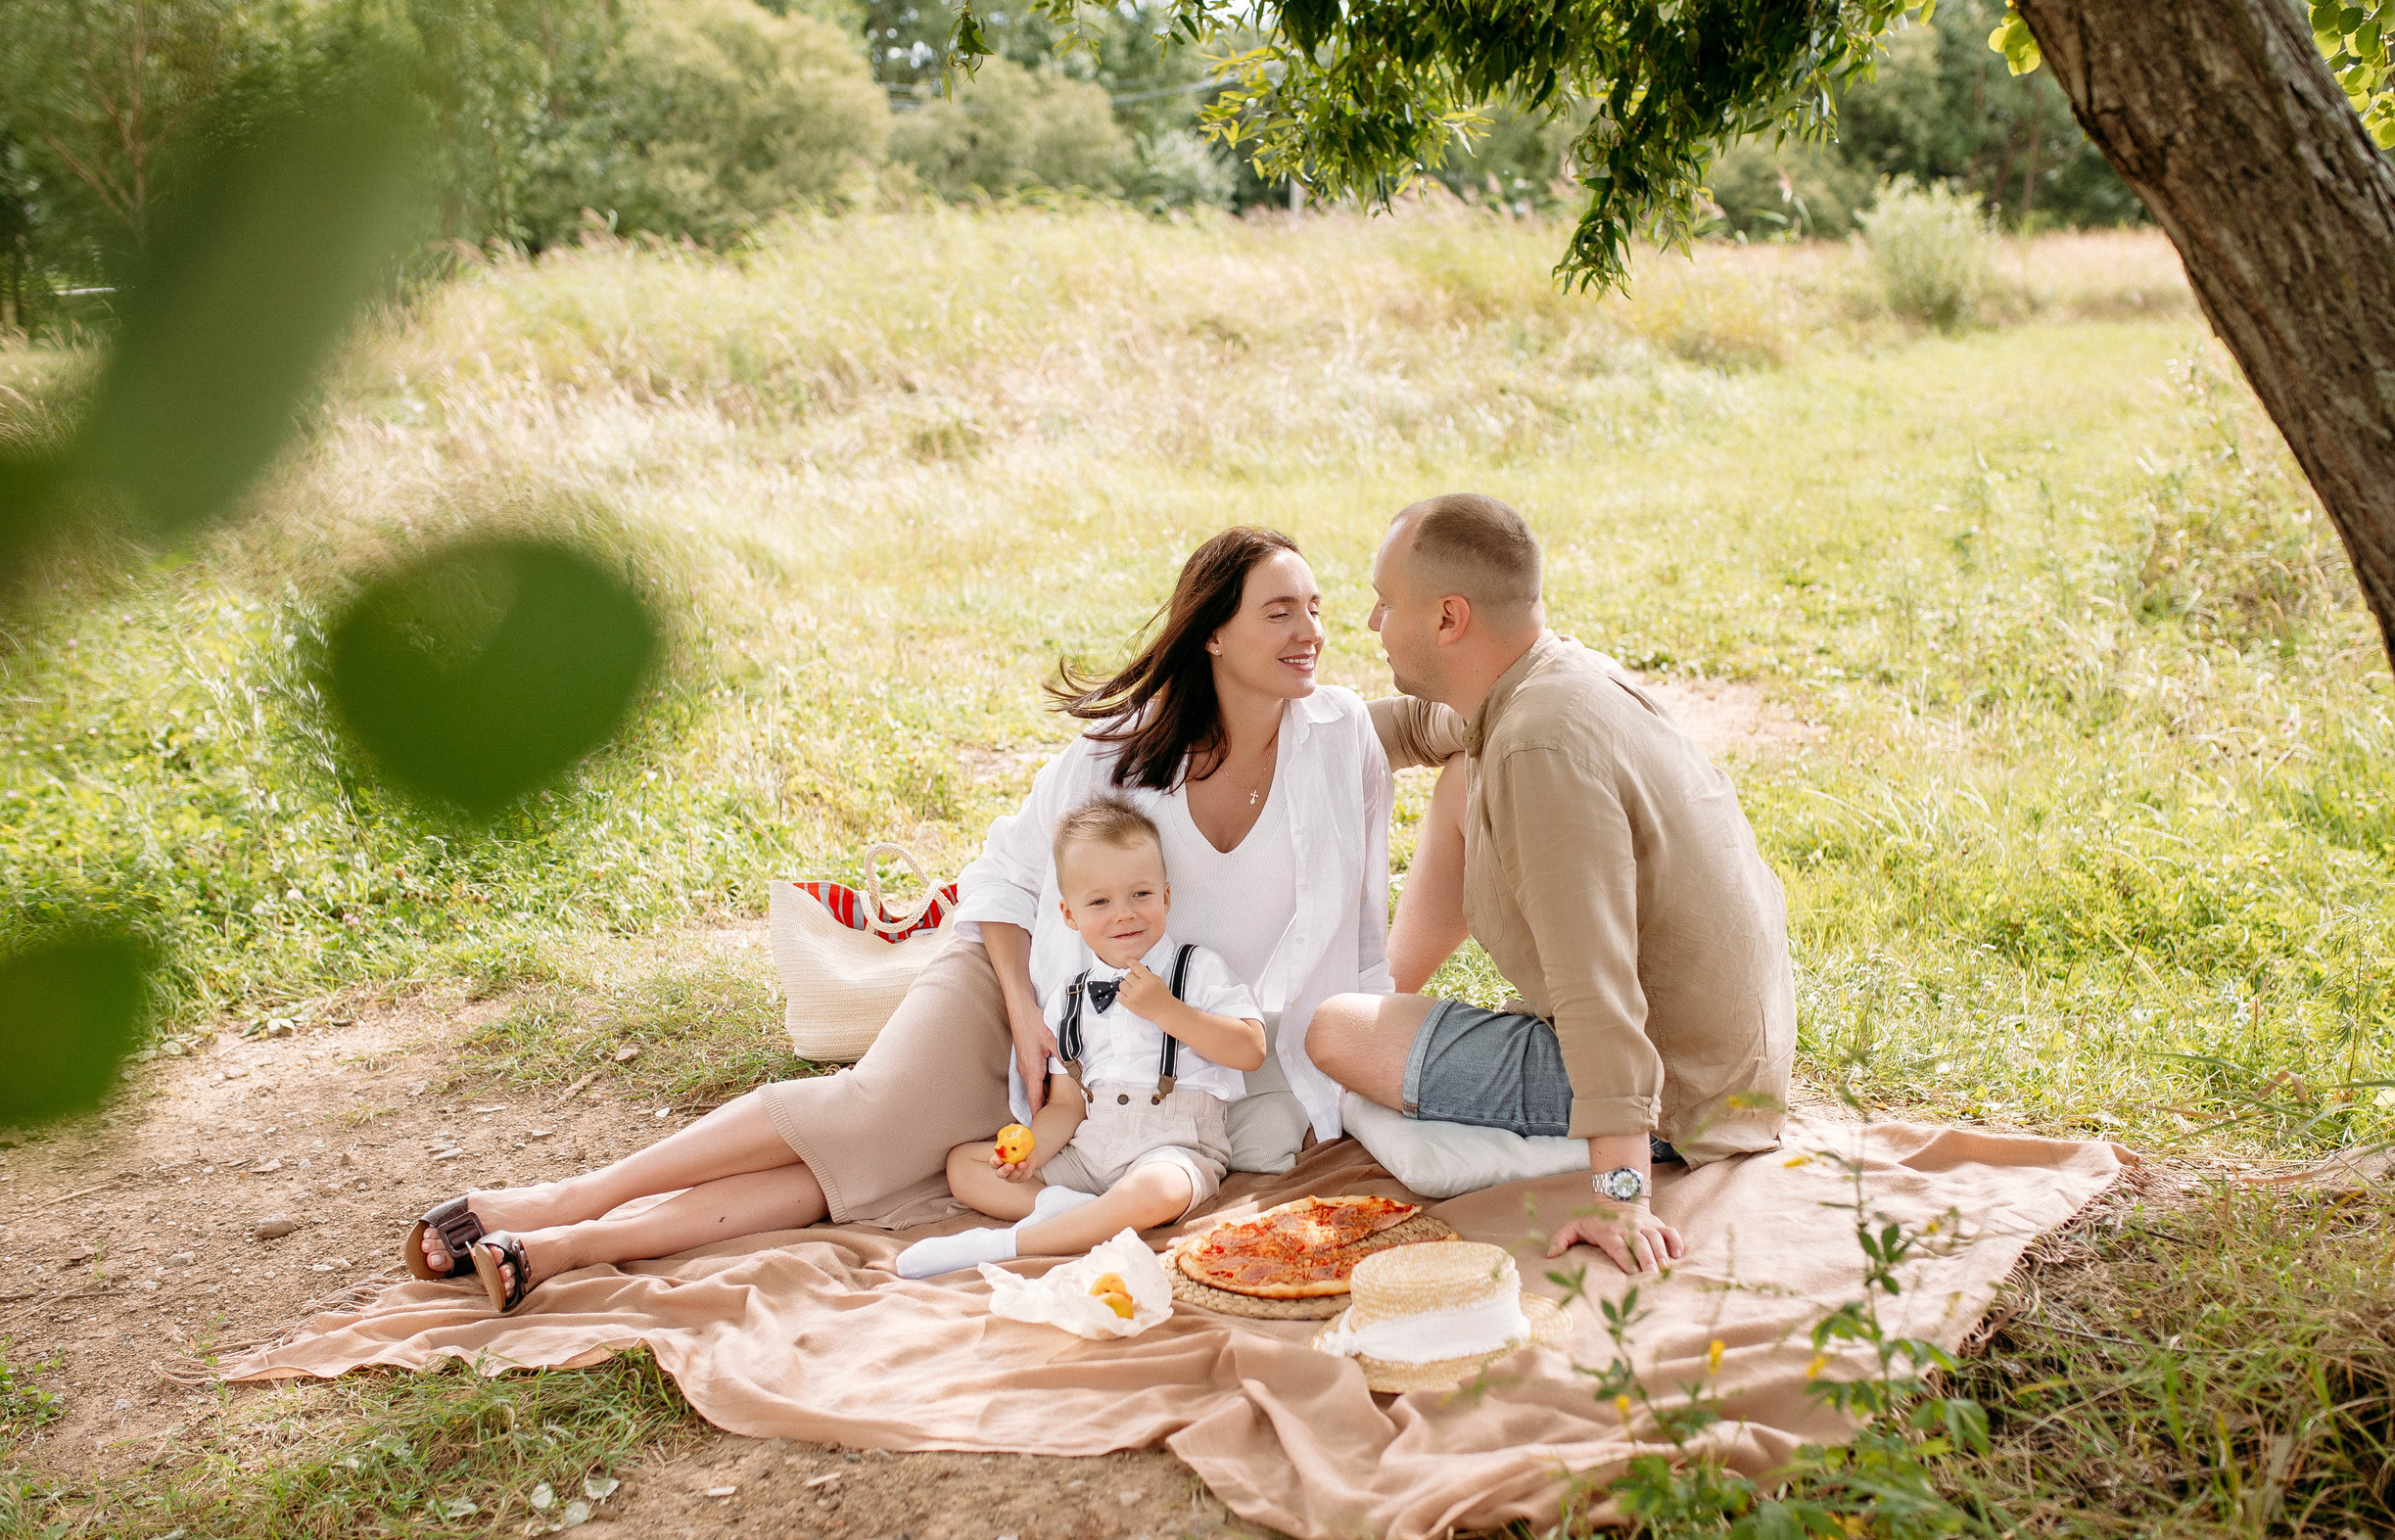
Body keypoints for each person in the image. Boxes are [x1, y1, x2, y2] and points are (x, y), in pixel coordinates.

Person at [405, 526, 1391, 1311]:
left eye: (1315, 608)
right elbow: (1002, 884)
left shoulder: (1339, 741)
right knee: (870, 1118)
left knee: (856, 1180)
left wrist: (1332, 1084)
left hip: (1109, 1067)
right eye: (1279, 611)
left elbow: (1357, 936)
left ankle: (562, 1248)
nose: (1308, 629)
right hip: (1016, 991)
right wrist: (1020, 1014)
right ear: (1214, 632)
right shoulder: (1113, 758)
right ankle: (563, 1198)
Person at [1306, 492, 1796, 1279]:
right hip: (1728, 1056)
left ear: (1447, 618)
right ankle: (1392, 991)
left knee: (1334, 1032)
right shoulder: (1542, 680)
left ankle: (1585, 1137)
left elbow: (1595, 988)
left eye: (1385, 601)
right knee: (1462, 778)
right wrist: (1262, 737)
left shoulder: (1538, 751)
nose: (1371, 622)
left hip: (1683, 1091)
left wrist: (1622, 1195)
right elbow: (1421, 729)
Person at [896, 798, 1267, 1277]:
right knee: (964, 1166)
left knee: (1157, 1192)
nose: (1124, 915)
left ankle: (1011, 1243)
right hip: (1091, 1153)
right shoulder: (1068, 998)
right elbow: (1069, 1107)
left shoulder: (1196, 969)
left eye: (1140, 894)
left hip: (1172, 1147)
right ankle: (1074, 1211)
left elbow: (1250, 1050)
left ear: (1167, 897)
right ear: (1069, 915)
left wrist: (1166, 1009)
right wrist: (1031, 1153)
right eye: (1099, 902)